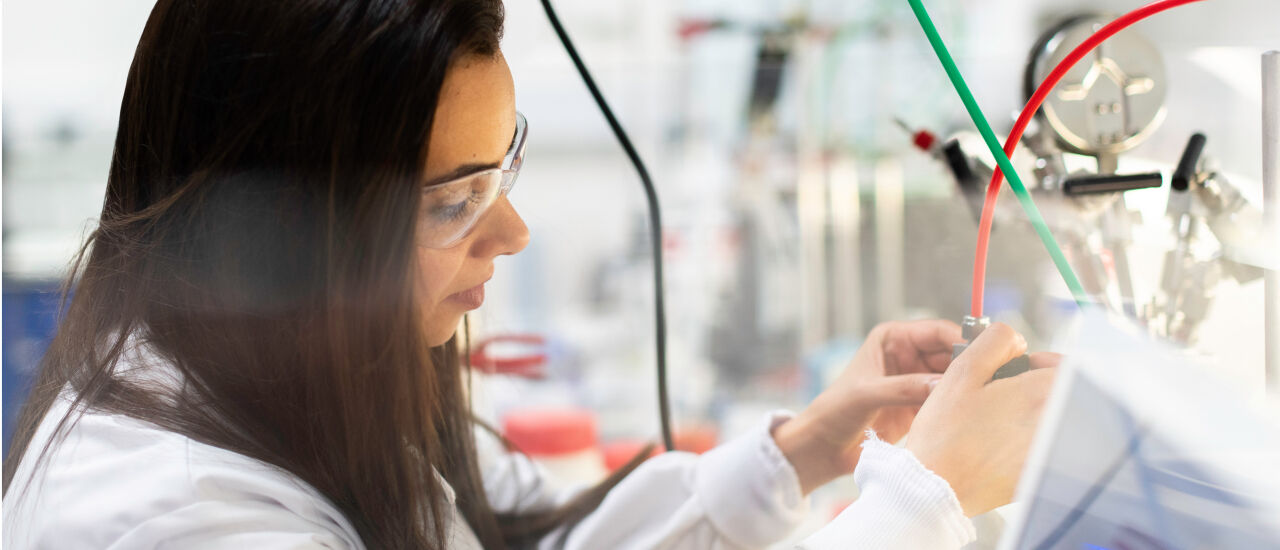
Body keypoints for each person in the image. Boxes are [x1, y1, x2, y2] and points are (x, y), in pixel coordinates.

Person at [0, 1, 1059, 548]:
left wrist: (808, 448)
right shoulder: (169, 517)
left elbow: (525, 542)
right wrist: (923, 498)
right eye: (452, 200)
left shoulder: (304, 371)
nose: (507, 231)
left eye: (499, 167)